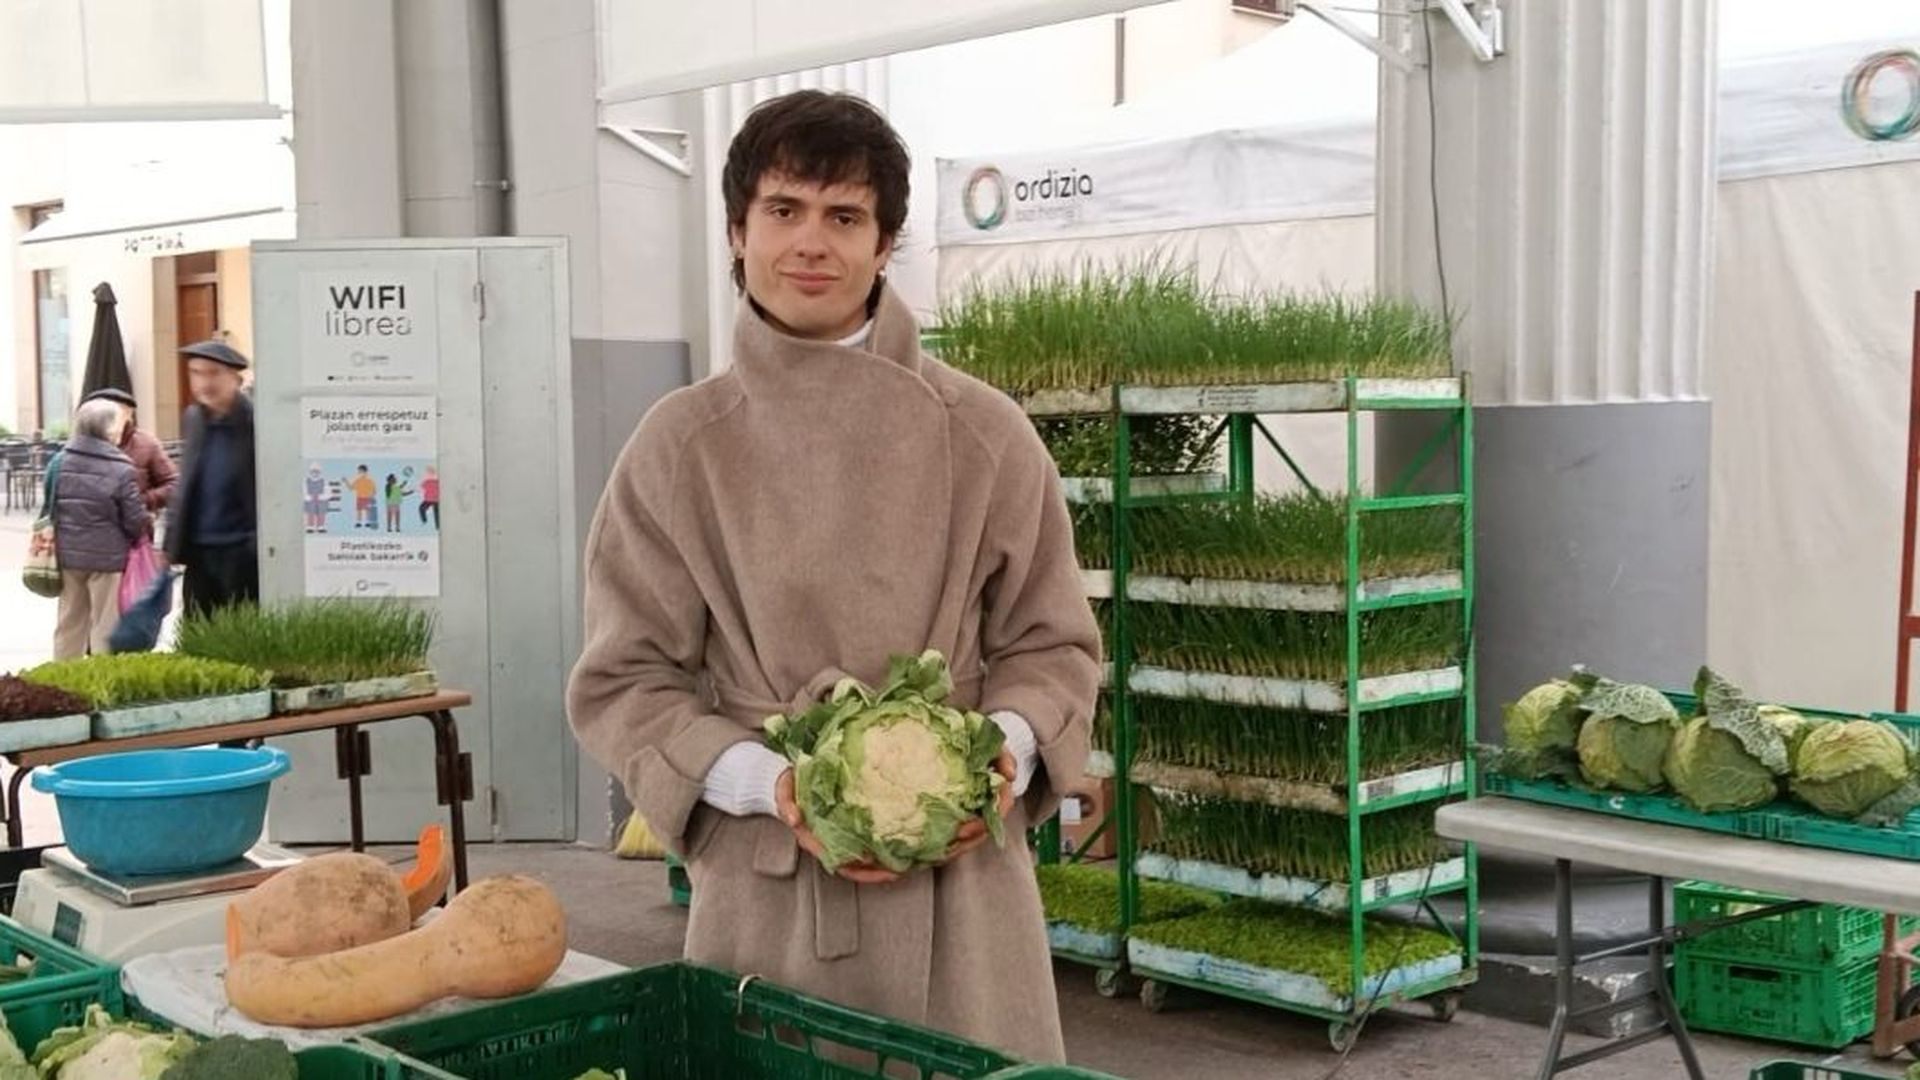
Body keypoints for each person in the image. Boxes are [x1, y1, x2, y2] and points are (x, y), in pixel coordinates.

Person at [567, 90, 1101, 1062]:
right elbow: (624, 682)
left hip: (963, 906)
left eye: (844, 217)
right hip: (767, 901)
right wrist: (770, 785)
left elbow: (1053, 643)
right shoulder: (679, 447)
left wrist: (1001, 752)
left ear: (885, 243)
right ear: (737, 230)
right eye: (784, 210)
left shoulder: (985, 435)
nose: (811, 243)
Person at [165, 340, 258, 615]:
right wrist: (170, 545)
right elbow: (185, 484)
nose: (204, 382)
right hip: (198, 552)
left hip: (241, 553)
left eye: (214, 373)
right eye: (196, 373)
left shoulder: (255, 421)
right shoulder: (194, 419)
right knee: (197, 636)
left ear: (236, 379)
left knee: (241, 633)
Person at [52, 398, 149, 657]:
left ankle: (62, 682)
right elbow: (134, 520)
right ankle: (100, 683)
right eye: (117, 424)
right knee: (105, 625)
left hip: (68, 555)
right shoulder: (120, 467)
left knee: (69, 623)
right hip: (108, 559)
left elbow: (51, 506)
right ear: (106, 429)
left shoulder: (59, 462)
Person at [79, 387, 176, 533]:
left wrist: (140, 501)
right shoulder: (77, 447)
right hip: (87, 534)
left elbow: (173, 484)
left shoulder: (147, 443)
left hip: (134, 537)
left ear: (129, 415)